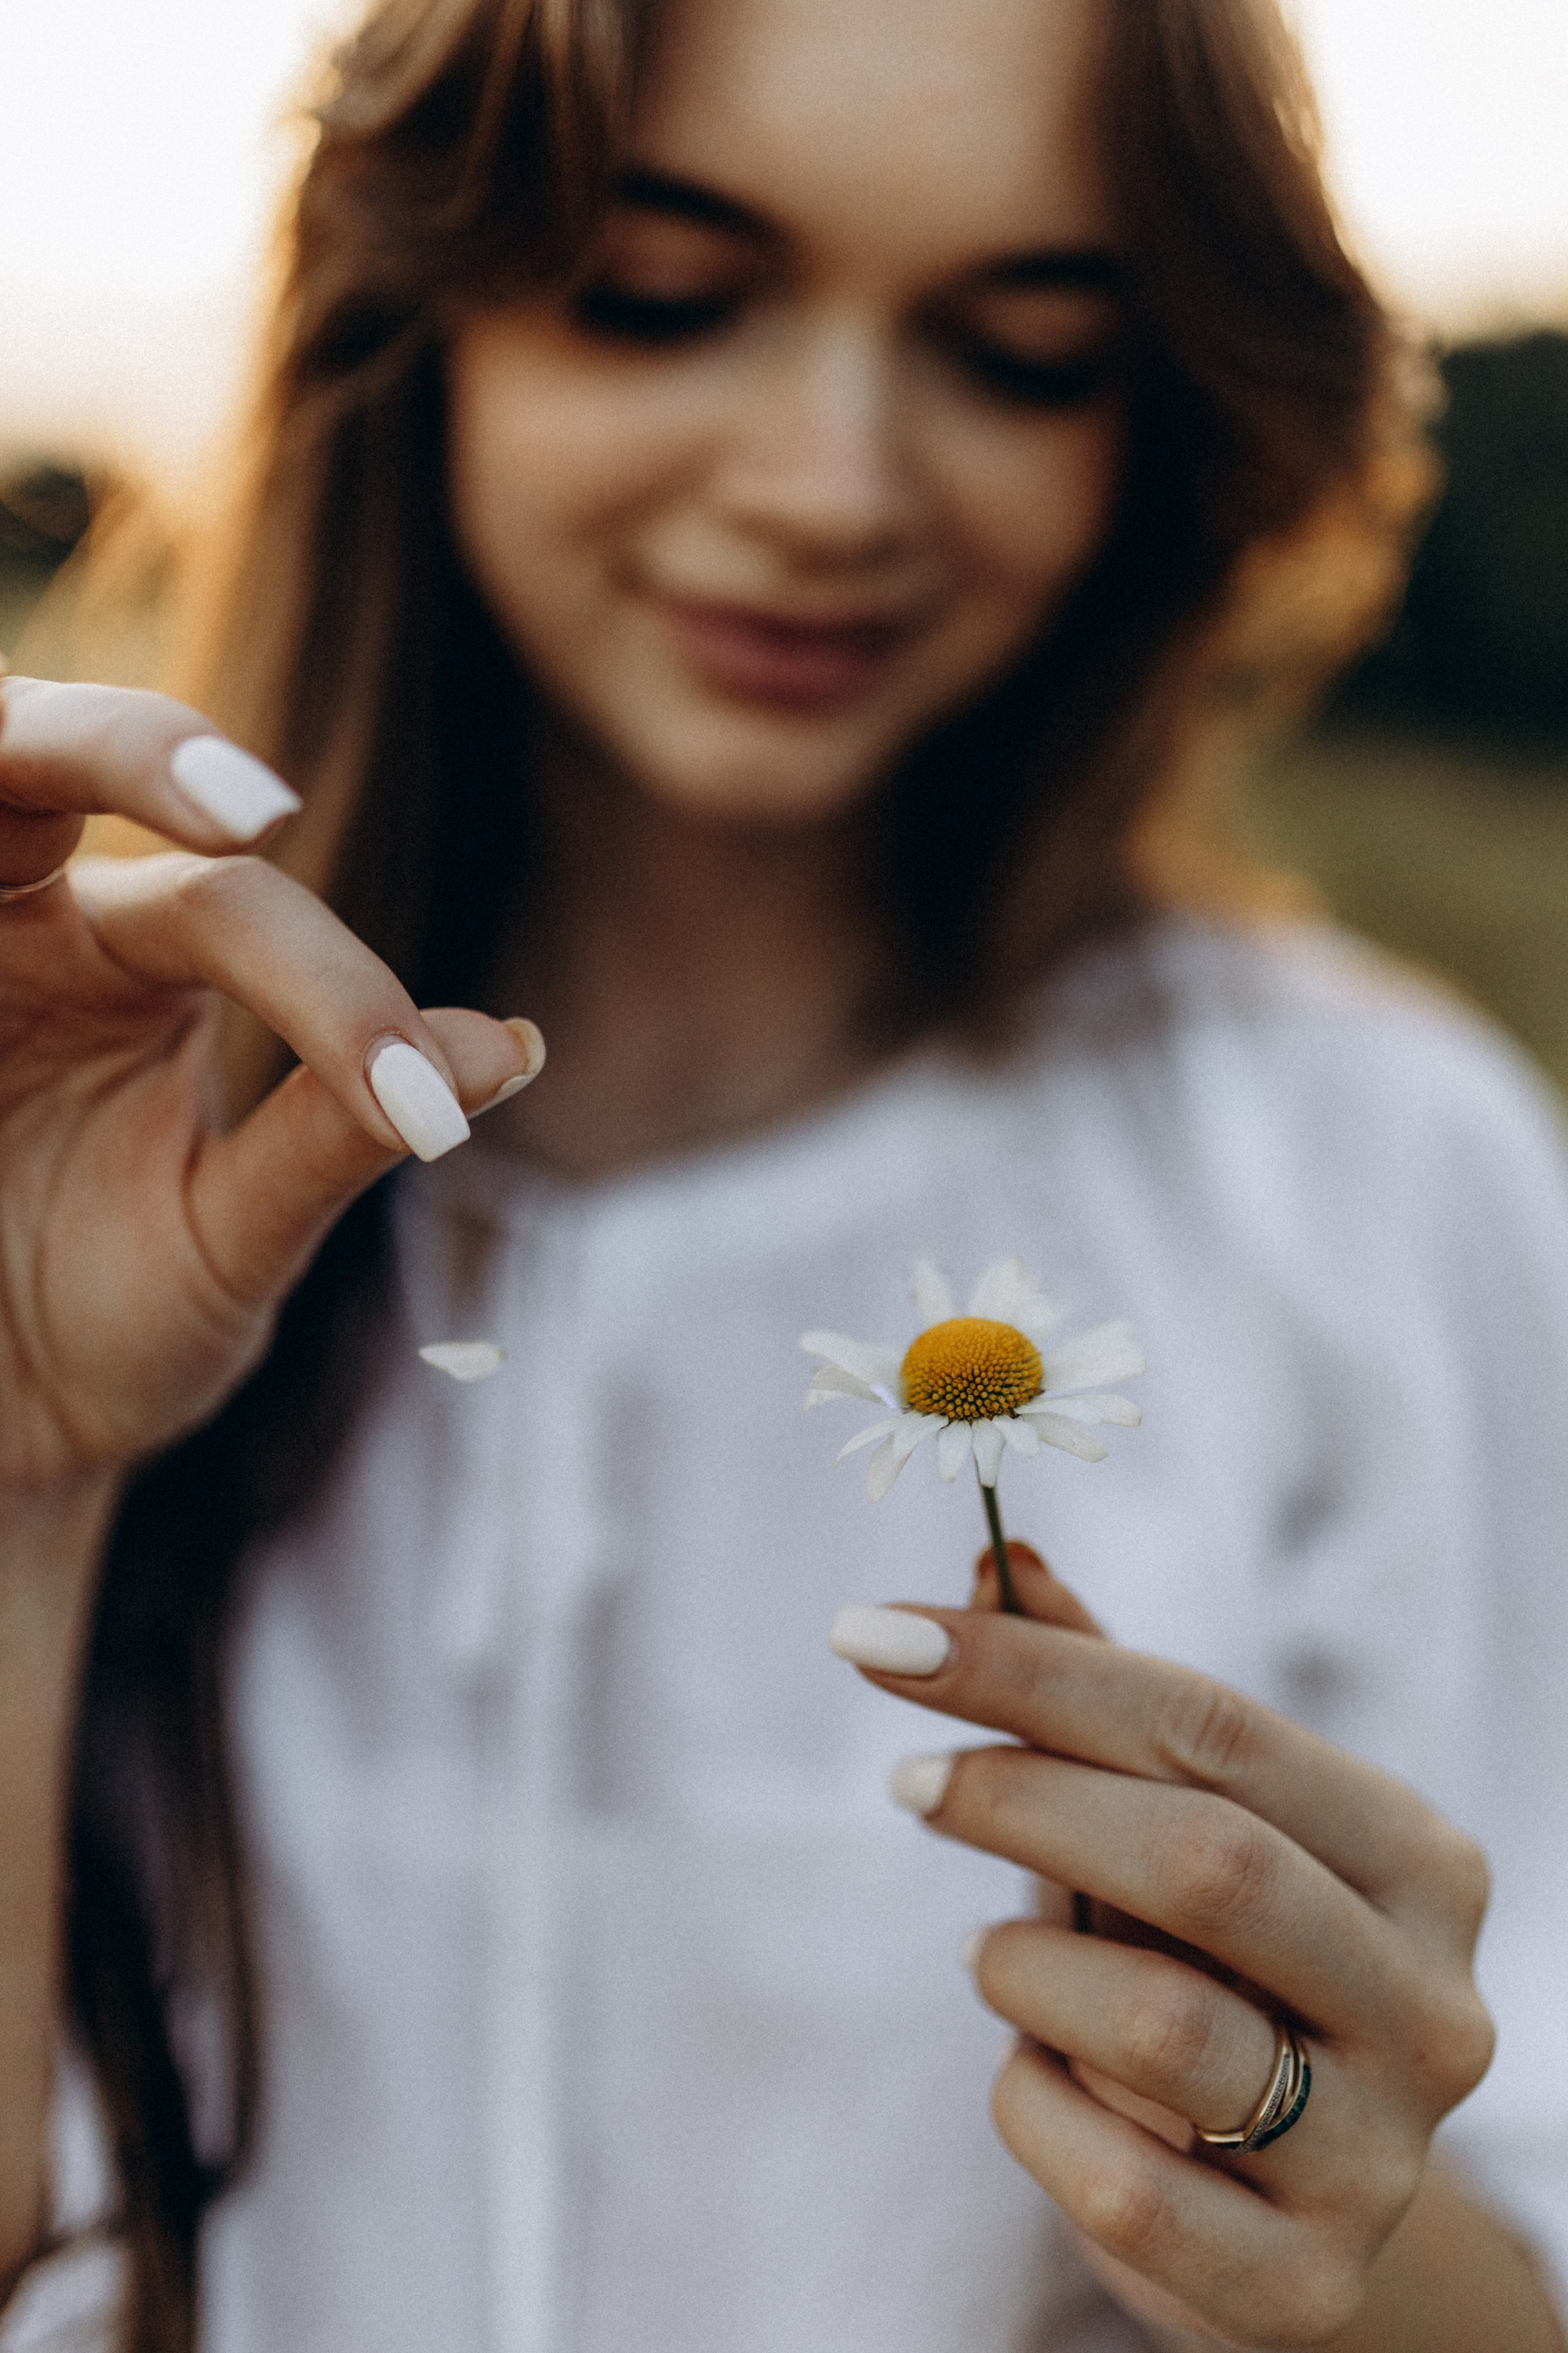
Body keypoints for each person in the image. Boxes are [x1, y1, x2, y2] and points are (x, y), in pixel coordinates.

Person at [1, 0, 1565, 2345]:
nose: (835, 480)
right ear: (411, 306)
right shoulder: (78, 1125)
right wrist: (22, 1503)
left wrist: (1330, 2241)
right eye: (659, 296)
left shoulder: (1373, 1175)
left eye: (1025, 351)